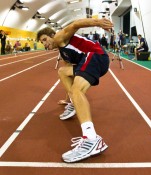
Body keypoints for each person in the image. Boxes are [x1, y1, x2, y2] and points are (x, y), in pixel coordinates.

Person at [36, 18, 113, 163]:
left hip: (95, 55)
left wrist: (98, 22)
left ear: (52, 35)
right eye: (42, 42)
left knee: (78, 91)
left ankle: (91, 139)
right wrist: (68, 99)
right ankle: (73, 104)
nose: (45, 44)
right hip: (91, 59)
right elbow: (70, 78)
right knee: (63, 72)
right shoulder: (64, 53)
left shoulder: (60, 37)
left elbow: (75, 24)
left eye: (45, 39)